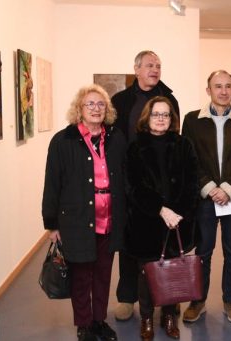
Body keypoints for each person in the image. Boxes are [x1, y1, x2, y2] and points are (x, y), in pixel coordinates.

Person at [42, 84, 126, 341]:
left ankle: (99, 320)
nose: (96, 109)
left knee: (102, 274)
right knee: (81, 276)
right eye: (90, 104)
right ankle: (84, 324)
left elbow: (124, 176)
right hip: (77, 221)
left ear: (107, 110)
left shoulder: (115, 138)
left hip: (109, 219)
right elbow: (52, 183)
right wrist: (52, 224)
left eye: (101, 104)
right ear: (79, 109)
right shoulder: (62, 140)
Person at [181, 70, 231, 324]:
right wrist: (211, 188)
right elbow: (189, 158)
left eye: (227, 86)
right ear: (208, 90)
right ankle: (198, 300)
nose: (223, 91)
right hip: (205, 198)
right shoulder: (192, 120)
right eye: (217, 86)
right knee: (203, 251)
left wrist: (229, 189)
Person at [111, 50, 180, 321]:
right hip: (130, 182)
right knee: (130, 242)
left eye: (159, 65)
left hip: (161, 183)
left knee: (164, 245)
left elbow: (175, 138)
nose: (155, 69)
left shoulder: (169, 99)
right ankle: (127, 297)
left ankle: (165, 298)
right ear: (136, 69)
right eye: (150, 65)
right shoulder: (120, 101)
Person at [125, 96, 198, 340]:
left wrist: (178, 213)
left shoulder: (184, 144)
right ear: (147, 117)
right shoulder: (135, 147)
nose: (161, 119)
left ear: (172, 118)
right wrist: (160, 209)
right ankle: (147, 318)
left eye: (166, 115)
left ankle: (169, 317)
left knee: (172, 272)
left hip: (177, 222)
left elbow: (192, 183)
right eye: (156, 114)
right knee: (147, 274)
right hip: (146, 222)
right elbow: (133, 187)